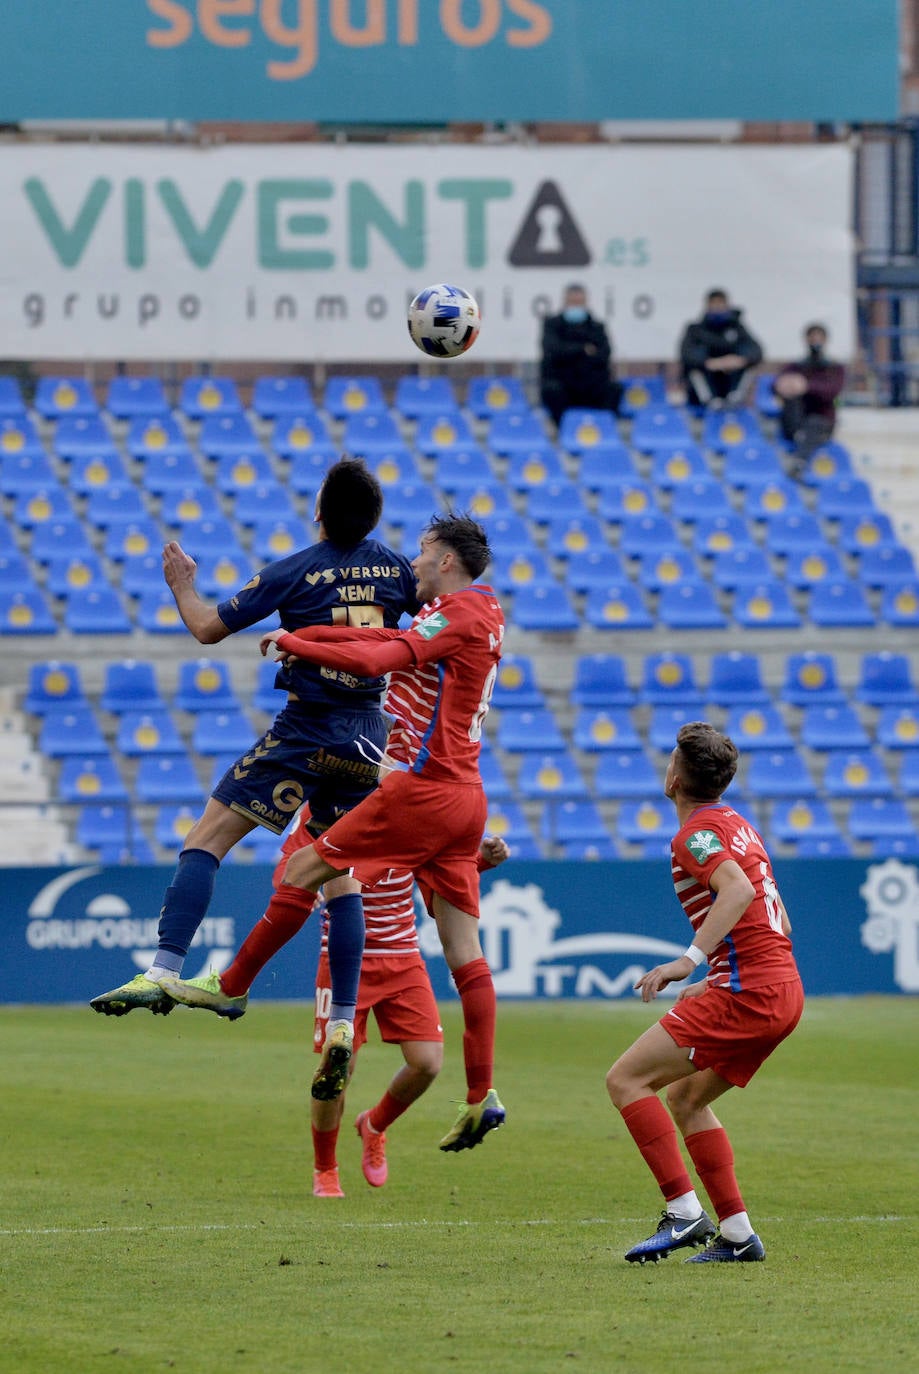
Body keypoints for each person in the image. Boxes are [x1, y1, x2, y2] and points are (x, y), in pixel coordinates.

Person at [162, 513, 507, 1153]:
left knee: (303, 871)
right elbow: (373, 635)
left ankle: (231, 988)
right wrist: (305, 628)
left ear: (448, 562)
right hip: (468, 798)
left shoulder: (454, 615)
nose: (415, 563)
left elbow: (377, 652)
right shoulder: (484, 611)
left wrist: (298, 646)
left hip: (423, 790)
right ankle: (480, 1094)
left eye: (424, 553)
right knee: (466, 952)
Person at [90, 458, 420, 1025]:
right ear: (374, 518)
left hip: (305, 729)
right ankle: (341, 1021)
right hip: (367, 738)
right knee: (338, 879)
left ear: (318, 511)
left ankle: (164, 969)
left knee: (206, 839)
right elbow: (433, 621)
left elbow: (206, 627)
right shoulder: (397, 571)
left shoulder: (292, 571)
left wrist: (182, 585)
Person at [606, 722, 804, 1264]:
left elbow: (737, 890)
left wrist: (685, 962)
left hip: (751, 993)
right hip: (780, 988)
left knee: (626, 1080)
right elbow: (761, 912)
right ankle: (738, 1236)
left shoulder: (694, 834)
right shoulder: (735, 823)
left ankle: (684, 1214)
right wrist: (712, 977)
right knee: (686, 1099)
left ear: (674, 776)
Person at [539, 284, 622, 428]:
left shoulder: (596, 327)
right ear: (565, 302)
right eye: (573, 302)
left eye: (580, 302)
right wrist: (583, 349)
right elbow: (553, 351)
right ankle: (564, 430)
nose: (576, 306)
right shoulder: (552, 325)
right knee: (551, 390)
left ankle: (603, 429)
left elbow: (604, 354)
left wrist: (570, 351)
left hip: (591, 385)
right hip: (563, 383)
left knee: (614, 389)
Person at [773, 323, 846, 475]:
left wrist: (806, 386)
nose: (815, 341)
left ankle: (799, 461)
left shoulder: (834, 368)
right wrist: (785, 385)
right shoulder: (795, 367)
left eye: (819, 338)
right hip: (795, 419)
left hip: (821, 422)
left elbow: (832, 391)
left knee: (814, 423)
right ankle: (798, 446)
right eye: (812, 337)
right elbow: (776, 385)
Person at [679, 288, 763, 410]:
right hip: (706, 382)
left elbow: (756, 351)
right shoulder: (695, 330)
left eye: (720, 303)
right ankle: (710, 400)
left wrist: (737, 360)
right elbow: (686, 354)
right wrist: (711, 363)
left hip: (732, 379)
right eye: (714, 304)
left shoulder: (738, 328)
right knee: (695, 370)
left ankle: (735, 398)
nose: (717, 307)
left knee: (748, 365)